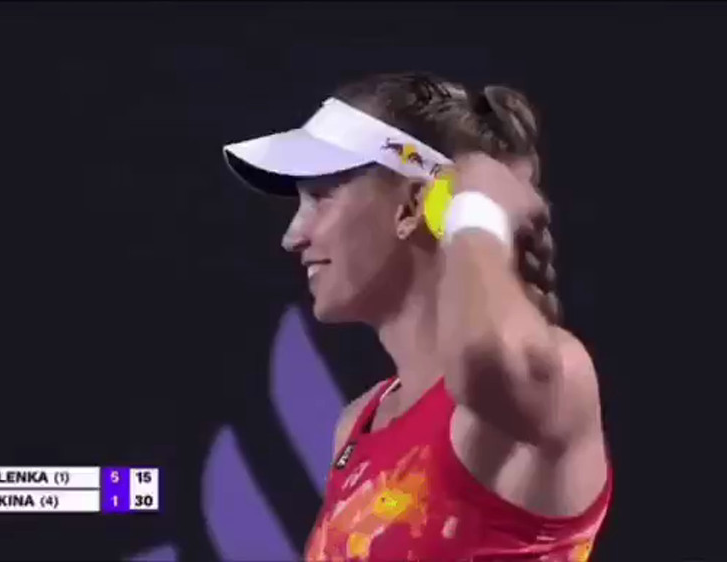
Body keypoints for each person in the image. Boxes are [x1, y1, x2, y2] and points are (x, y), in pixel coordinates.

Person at [223, 72, 611, 562]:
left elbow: (483, 359)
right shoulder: (358, 424)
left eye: (321, 195)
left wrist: (475, 205)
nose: (293, 236)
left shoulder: (551, 382)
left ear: (412, 206)